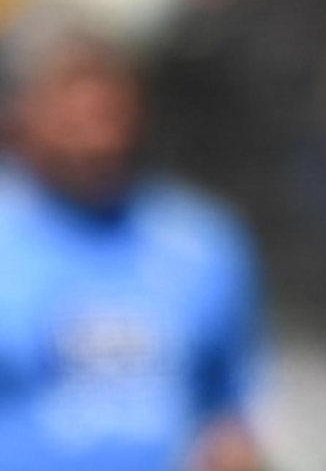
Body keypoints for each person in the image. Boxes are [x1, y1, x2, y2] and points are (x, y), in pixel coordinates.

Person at [0, 36, 263, 471]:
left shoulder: (202, 242)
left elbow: (232, 412)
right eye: (72, 123)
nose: (97, 144)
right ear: (25, 119)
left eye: (110, 119)